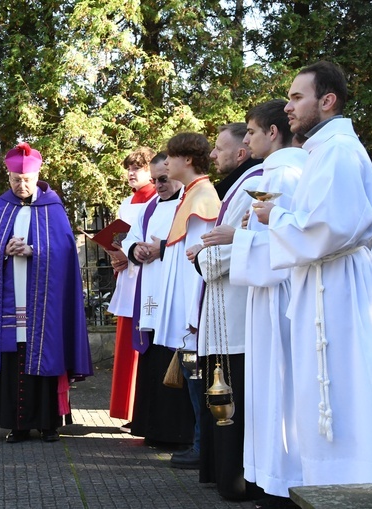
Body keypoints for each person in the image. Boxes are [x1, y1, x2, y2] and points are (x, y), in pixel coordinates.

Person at [253, 61, 372, 487]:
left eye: (296, 97)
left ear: (327, 101)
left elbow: (331, 228)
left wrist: (277, 216)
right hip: (323, 283)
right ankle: (326, 484)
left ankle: (350, 485)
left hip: (337, 286)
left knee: (342, 390)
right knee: (324, 393)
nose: (288, 108)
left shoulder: (339, 152)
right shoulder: (322, 151)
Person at [204, 99, 305, 508]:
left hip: (276, 297)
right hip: (263, 297)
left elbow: (285, 240)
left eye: (250, 132)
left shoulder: (281, 174)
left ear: (272, 133)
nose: (246, 140)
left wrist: (234, 240)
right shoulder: (278, 172)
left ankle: (278, 483)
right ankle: (269, 481)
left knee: (277, 393)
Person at [0, 142, 93, 443]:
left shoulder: (53, 206)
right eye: (15, 179)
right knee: (13, 359)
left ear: (37, 176)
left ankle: (49, 424)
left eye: (27, 180)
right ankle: (17, 424)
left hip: (43, 304)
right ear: (7, 177)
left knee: (46, 356)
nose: (21, 185)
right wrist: (3, 251)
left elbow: (64, 251)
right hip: (10, 302)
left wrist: (35, 250)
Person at [189, 123, 262, 498]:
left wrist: (204, 256)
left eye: (220, 148)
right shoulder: (235, 187)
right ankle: (221, 473)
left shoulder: (256, 185)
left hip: (237, 306)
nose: (213, 155)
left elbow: (242, 245)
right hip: (221, 305)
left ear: (241, 153)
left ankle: (236, 479)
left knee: (234, 394)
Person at [143, 133, 220, 469]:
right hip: (188, 308)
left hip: (193, 309)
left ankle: (202, 446)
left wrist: (193, 312)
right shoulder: (192, 194)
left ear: (187, 160)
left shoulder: (201, 196)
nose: (167, 163)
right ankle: (201, 445)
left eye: (172, 157)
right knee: (193, 378)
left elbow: (198, 261)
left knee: (197, 379)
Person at [120, 152, 194, 445]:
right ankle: (154, 428)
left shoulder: (190, 204)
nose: (158, 185)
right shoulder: (148, 207)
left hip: (177, 294)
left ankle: (180, 433)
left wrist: (162, 248)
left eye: (163, 179)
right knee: (154, 358)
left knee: (176, 353)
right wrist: (135, 250)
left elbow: (194, 241)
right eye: (154, 180)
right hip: (151, 292)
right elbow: (130, 238)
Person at [106, 147, 157, 430]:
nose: (131, 173)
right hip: (127, 278)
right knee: (127, 343)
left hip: (146, 277)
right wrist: (115, 256)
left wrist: (130, 253)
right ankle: (127, 408)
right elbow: (120, 237)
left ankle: (143, 410)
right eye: (128, 168)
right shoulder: (126, 202)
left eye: (137, 167)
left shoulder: (159, 199)